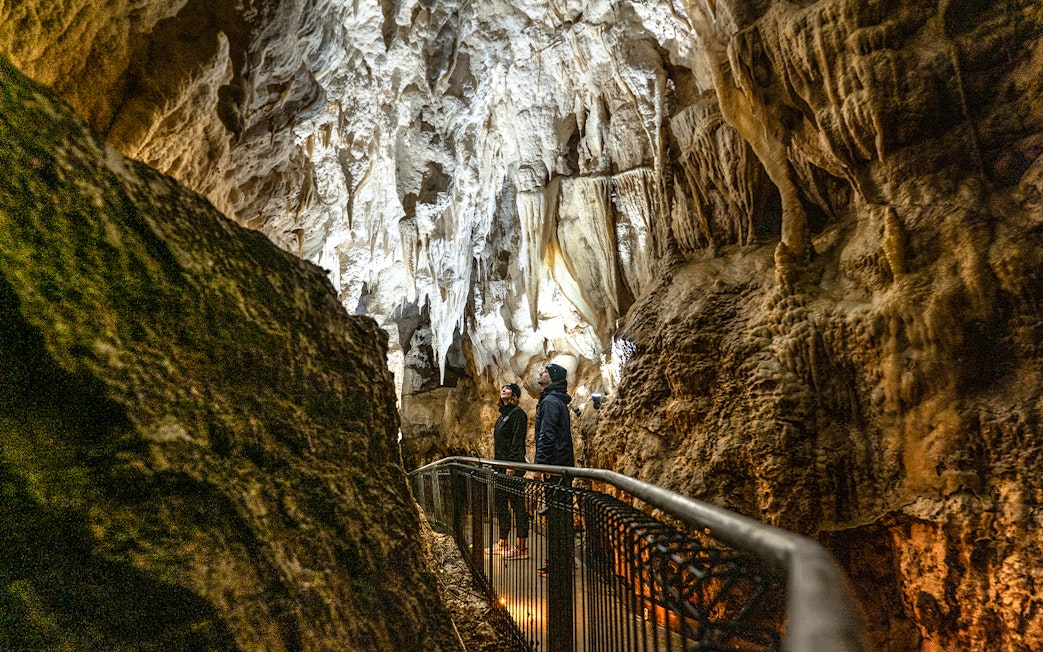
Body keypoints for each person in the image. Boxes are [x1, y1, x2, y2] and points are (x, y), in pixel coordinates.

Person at [533, 363, 574, 582]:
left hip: (555, 466)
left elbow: (546, 435)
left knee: (557, 517)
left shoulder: (550, 402)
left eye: (545, 371)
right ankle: (562, 562)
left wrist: (540, 465)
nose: (541, 373)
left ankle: (559, 564)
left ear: (554, 377)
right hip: (561, 464)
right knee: (561, 515)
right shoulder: (556, 400)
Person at [491, 382, 529, 560]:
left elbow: (517, 441)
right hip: (500, 467)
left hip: (511, 468)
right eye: (503, 387)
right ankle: (503, 543)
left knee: (517, 505)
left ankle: (522, 547)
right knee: (501, 504)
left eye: (508, 387)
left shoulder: (518, 414)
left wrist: (512, 465)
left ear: (514, 393)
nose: (503, 389)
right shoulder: (502, 416)